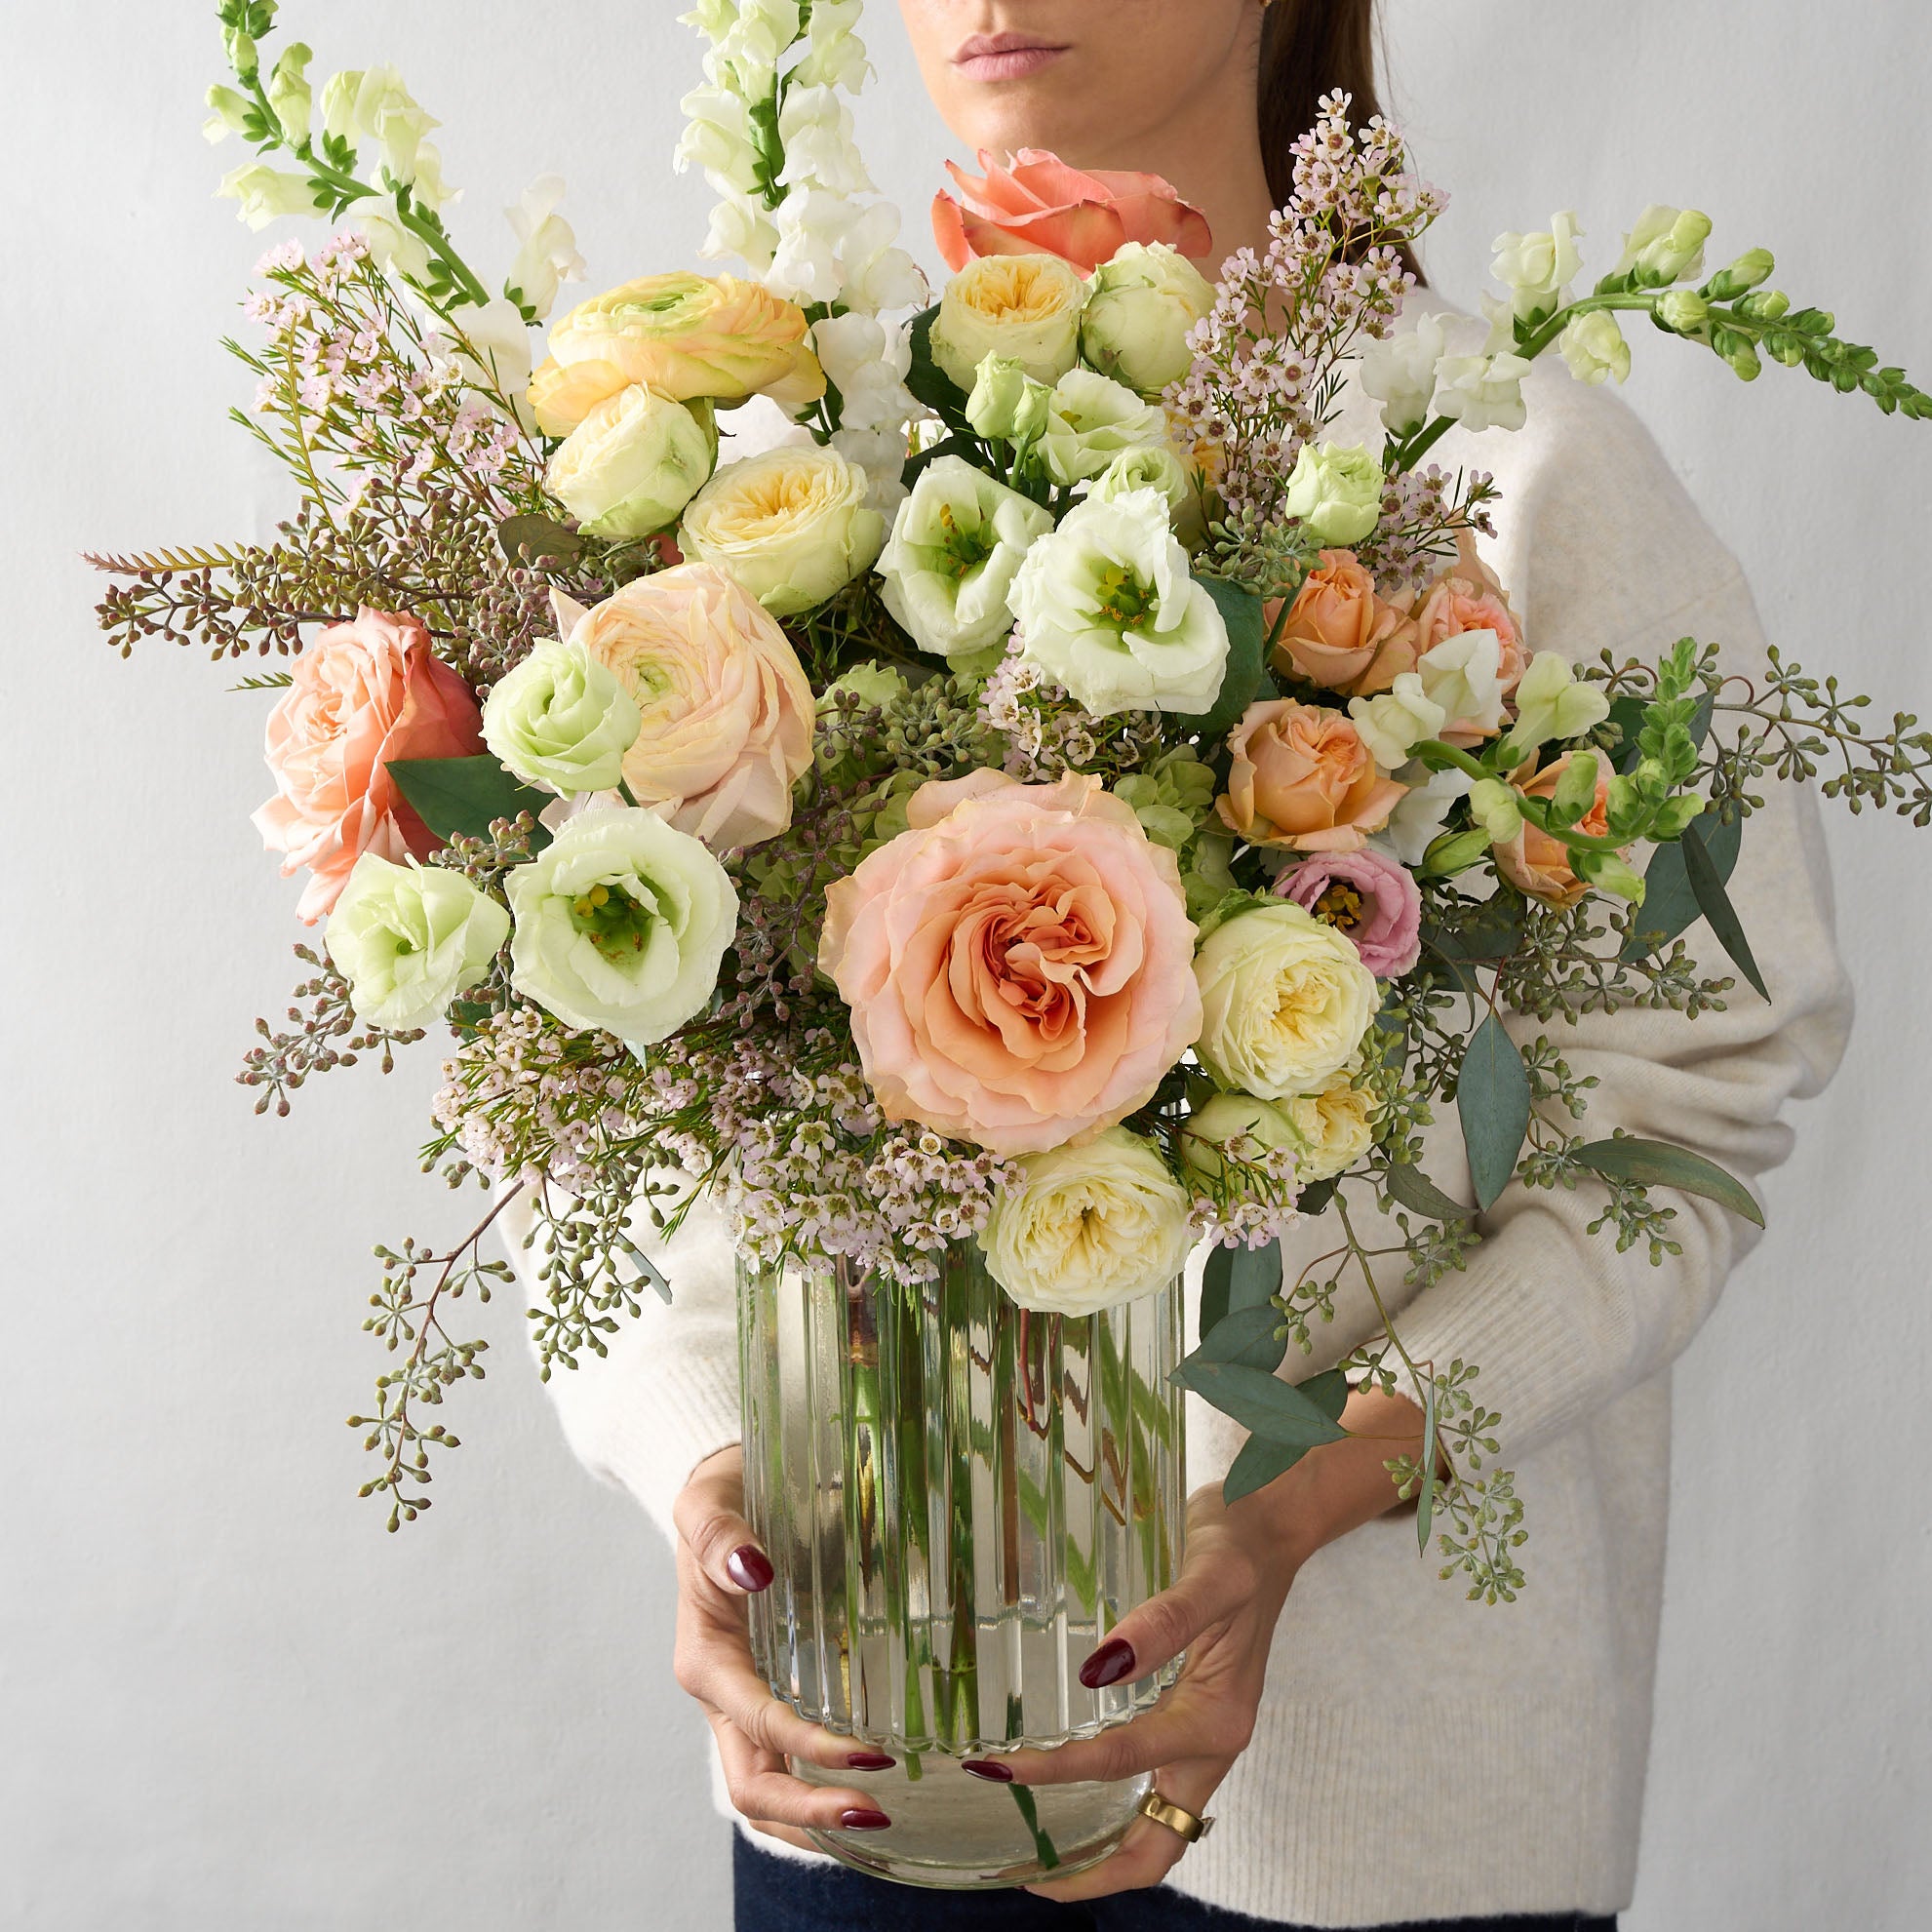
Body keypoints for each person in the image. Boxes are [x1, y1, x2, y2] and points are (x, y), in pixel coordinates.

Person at [517, 2, 1853, 1925]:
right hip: (866, 1775)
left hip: (1385, 1841)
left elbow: (1685, 1111)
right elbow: (605, 1078)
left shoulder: (1508, 473)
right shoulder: (793, 488)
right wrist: (703, 1465)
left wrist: (1302, 1491)